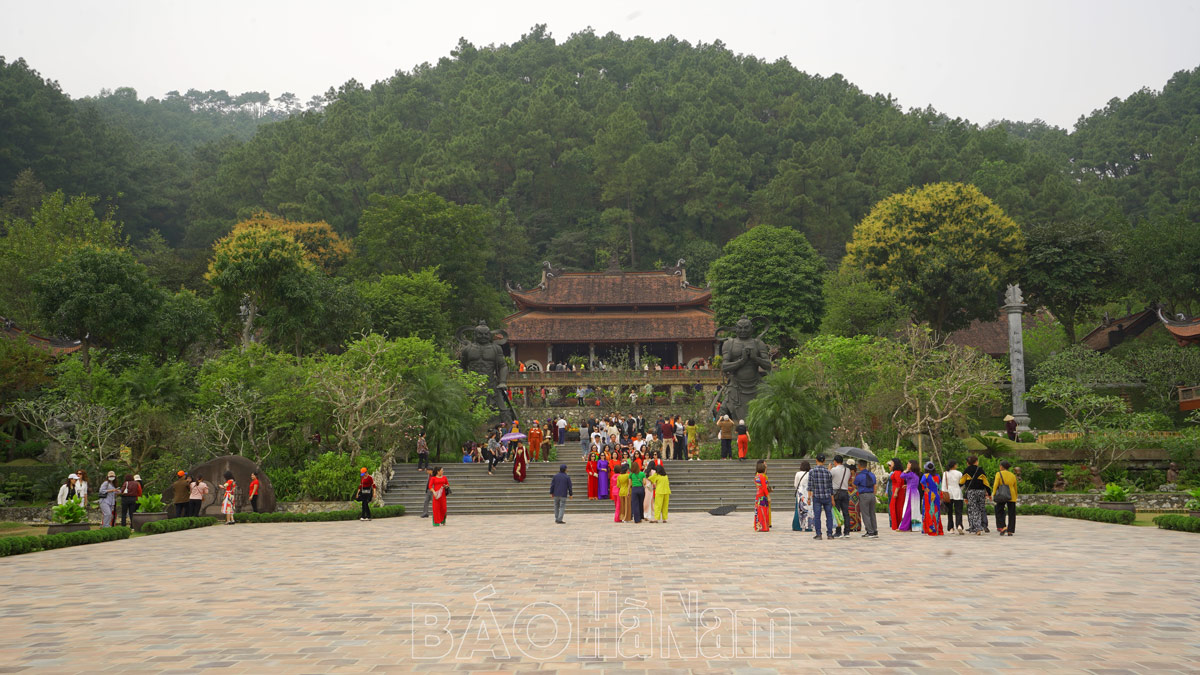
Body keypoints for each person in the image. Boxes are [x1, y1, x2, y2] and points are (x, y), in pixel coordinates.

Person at [961, 455, 990, 535]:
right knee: (981, 508)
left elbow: (961, 482)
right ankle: (979, 526)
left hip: (971, 492)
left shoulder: (967, 470)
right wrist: (989, 493)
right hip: (981, 492)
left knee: (974, 509)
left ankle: (977, 528)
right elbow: (986, 482)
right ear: (976, 462)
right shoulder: (980, 470)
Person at [808, 454, 834, 539]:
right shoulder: (828, 472)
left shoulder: (812, 471)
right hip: (827, 496)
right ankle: (829, 534)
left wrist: (809, 498)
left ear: (816, 460)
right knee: (829, 516)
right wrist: (832, 498)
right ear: (824, 461)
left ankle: (819, 534)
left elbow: (810, 486)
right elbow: (831, 487)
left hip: (817, 496)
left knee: (817, 516)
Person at [992, 460, 1019, 536]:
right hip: (1012, 495)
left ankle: (1003, 526)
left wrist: (993, 494)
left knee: (999, 511)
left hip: (1002, 495)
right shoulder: (1012, 475)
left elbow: (995, 485)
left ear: (1002, 466)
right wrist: (1015, 496)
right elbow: (1015, 487)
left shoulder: (999, 474)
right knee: (1012, 513)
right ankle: (1010, 530)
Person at [853, 460, 878, 538]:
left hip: (864, 495)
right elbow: (875, 485)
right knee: (872, 513)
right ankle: (874, 530)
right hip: (872, 495)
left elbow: (854, 485)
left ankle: (869, 531)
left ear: (860, 465)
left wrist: (853, 475)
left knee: (865, 514)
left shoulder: (859, 476)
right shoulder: (872, 474)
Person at [829, 455, 852, 538]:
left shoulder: (833, 470)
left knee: (837, 512)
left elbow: (828, 478)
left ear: (835, 461)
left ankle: (838, 532)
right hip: (845, 492)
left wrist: (829, 469)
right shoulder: (848, 470)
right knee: (846, 513)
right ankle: (847, 532)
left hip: (836, 493)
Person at [919, 462, 944, 536]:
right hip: (936, 494)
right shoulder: (938, 476)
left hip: (929, 495)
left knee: (928, 511)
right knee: (936, 512)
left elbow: (922, 482)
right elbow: (940, 487)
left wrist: (926, 488)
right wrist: (941, 497)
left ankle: (930, 529)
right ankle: (938, 530)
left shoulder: (926, 475)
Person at [898, 461, 922, 532]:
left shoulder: (911, 474)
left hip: (911, 493)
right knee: (914, 509)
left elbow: (902, 475)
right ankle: (913, 526)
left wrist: (906, 470)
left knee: (908, 509)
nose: (907, 465)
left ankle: (904, 527)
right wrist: (907, 485)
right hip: (915, 493)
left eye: (908, 464)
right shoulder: (916, 474)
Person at [941, 460, 964, 534]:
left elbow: (944, 485)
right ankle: (959, 525)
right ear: (954, 465)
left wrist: (944, 493)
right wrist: (960, 489)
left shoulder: (945, 473)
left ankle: (951, 528)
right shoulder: (959, 473)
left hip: (948, 494)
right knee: (959, 511)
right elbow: (962, 483)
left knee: (949, 512)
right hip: (958, 493)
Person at [792, 460, 812, 532]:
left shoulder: (798, 473)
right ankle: (808, 525)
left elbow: (795, 484)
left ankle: (797, 526)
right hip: (808, 493)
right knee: (808, 509)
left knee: (798, 509)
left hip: (800, 493)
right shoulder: (810, 473)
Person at [753, 459, 771, 532]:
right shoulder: (762, 477)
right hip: (763, 496)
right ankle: (763, 527)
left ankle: (758, 526)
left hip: (758, 495)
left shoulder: (756, 477)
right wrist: (768, 497)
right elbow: (764, 488)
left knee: (758, 511)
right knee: (763, 510)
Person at [887, 459, 905, 531]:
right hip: (895, 490)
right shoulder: (897, 472)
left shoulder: (897, 472)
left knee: (896, 508)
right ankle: (896, 524)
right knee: (895, 507)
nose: (891, 464)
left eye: (892, 463)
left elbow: (898, 482)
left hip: (897, 492)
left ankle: (897, 524)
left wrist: (895, 492)